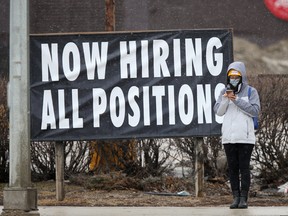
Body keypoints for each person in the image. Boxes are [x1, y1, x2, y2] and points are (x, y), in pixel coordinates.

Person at [213, 61, 260, 209]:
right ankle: (235, 197)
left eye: (236, 76)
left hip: (245, 137)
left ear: (242, 76)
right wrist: (226, 99)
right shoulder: (223, 92)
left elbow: (254, 111)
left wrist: (237, 99)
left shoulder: (251, 92)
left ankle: (244, 198)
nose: (233, 79)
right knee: (232, 168)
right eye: (231, 76)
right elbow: (219, 112)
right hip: (229, 137)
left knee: (244, 168)